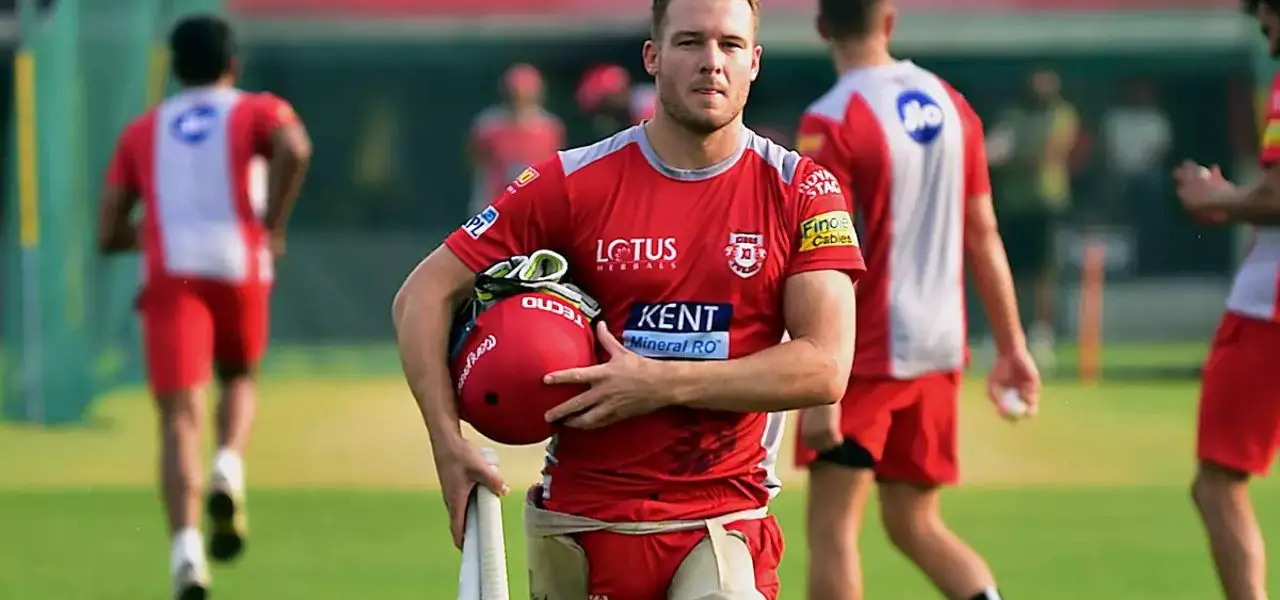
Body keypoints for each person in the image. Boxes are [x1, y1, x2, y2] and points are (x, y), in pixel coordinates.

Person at [391, 0, 865, 597]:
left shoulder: (803, 189)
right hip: (581, 524)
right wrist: (446, 445)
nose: (711, 62)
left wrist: (660, 382)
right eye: (689, 42)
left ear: (754, 61)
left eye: (730, 45)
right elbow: (422, 295)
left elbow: (825, 366)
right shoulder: (570, 182)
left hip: (723, 518)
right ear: (653, 56)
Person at [791, 1, 1041, 600]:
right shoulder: (952, 104)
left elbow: (830, 254)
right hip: (939, 348)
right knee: (913, 521)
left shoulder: (830, 118)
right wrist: (1013, 348)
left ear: (822, 27)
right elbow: (983, 232)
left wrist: (823, 383)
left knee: (832, 530)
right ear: (890, 21)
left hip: (867, 355)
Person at [98, 14, 312, 600]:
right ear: (232, 63)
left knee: (178, 417)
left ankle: (187, 554)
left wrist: (154, 231)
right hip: (238, 264)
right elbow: (295, 146)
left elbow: (108, 229)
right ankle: (228, 467)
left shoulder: (143, 130)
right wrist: (273, 224)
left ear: (175, 68)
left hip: (173, 274)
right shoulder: (257, 109)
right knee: (238, 376)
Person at [1172, 3, 1280, 598]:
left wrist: (1213, 197)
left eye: (1266, 22)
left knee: (1218, 482)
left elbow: (1277, 197)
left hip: (1269, 310)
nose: (1267, 39)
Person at [985, 66, 1080, 370]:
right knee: (1009, 271)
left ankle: (1041, 336)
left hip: (1045, 203)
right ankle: (1007, 334)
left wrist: (1012, 158)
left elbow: (1050, 153)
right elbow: (992, 150)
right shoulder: (1012, 115)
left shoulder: (1062, 114)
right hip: (1013, 204)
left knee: (1043, 274)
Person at [467, 63, 564, 215]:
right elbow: (475, 160)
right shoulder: (488, 126)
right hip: (494, 204)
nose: (519, 101)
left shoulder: (549, 127)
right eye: (514, 96)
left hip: (534, 206)